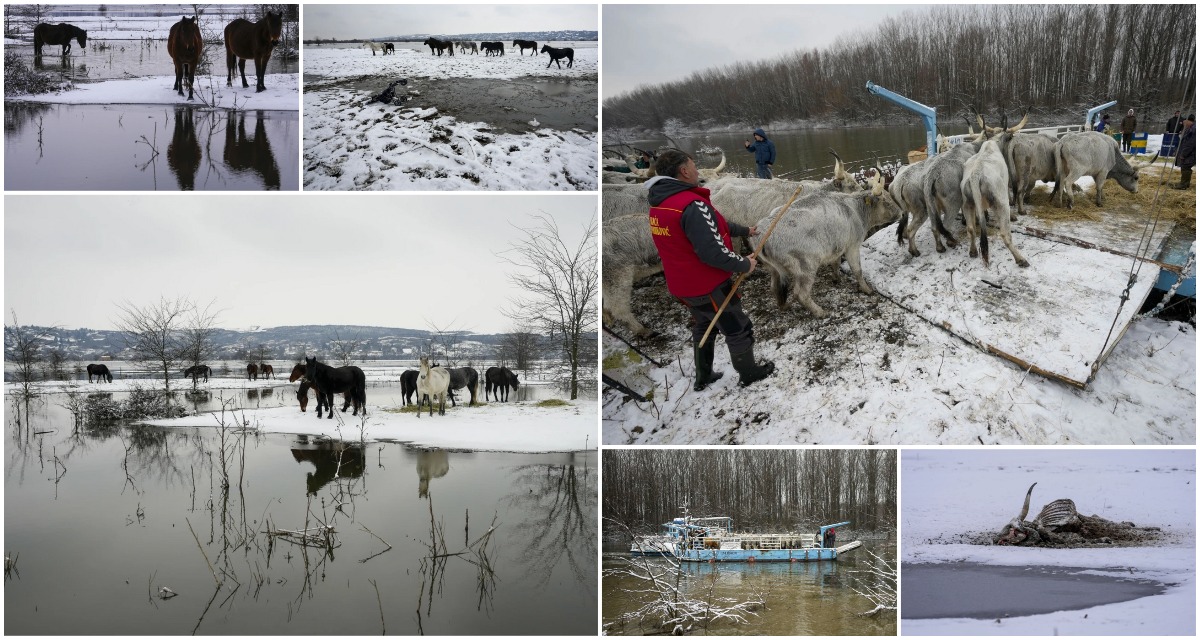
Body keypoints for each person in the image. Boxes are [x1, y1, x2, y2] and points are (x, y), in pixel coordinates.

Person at [646, 148, 776, 390]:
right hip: (708, 285)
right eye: (693, 166)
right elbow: (712, 253)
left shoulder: (661, 204)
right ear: (684, 171)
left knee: (705, 326)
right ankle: (749, 374)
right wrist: (744, 263)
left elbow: (714, 224)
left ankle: (703, 376)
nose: (697, 170)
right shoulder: (692, 204)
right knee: (737, 328)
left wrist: (745, 230)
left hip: (682, 286)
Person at [1174, 114, 1194, 190]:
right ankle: (1185, 183)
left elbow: (1190, 144)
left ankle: (1183, 185)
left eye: (1185, 121)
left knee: (1186, 167)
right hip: (1189, 152)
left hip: (1191, 153)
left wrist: (1183, 154)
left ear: (1189, 121)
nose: (1184, 123)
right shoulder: (1190, 128)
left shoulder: (1193, 129)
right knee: (1185, 167)